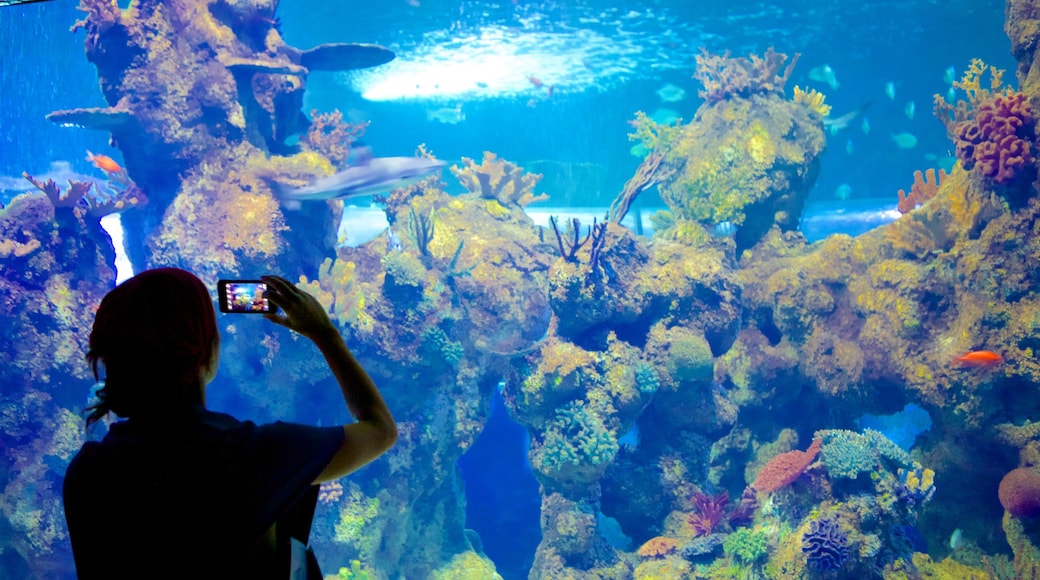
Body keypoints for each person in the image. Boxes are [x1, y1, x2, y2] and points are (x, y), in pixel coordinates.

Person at [62, 268, 397, 579]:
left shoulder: (88, 474)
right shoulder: (254, 455)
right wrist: (325, 333)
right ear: (209, 353)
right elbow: (380, 429)